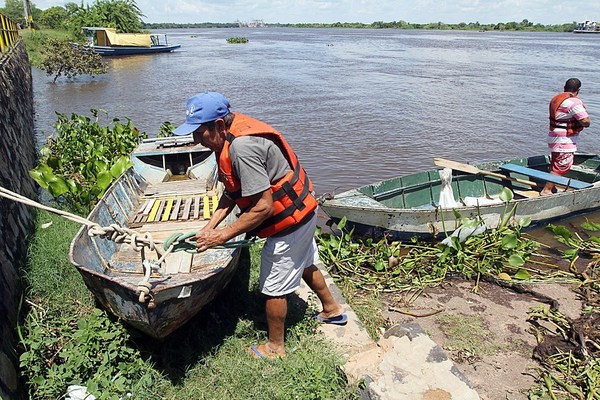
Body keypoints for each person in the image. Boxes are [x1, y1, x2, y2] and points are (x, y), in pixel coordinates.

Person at [173, 91, 347, 359]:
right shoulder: (230, 136)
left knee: (273, 289)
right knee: (305, 264)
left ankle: (275, 347)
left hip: (289, 226)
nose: (196, 140)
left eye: (200, 132)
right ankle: (332, 310)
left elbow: (264, 207)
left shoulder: (242, 148)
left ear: (219, 125)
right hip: (305, 213)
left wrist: (222, 236)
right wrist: (211, 226)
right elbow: (233, 191)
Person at [541, 78, 591, 195]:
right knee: (562, 165)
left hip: (554, 137)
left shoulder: (557, 99)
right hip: (564, 140)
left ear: (564, 88)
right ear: (578, 90)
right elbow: (585, 121)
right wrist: (587, 122)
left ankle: (551, 187)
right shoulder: (573, 102)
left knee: (555, 163)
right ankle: (546, 190)